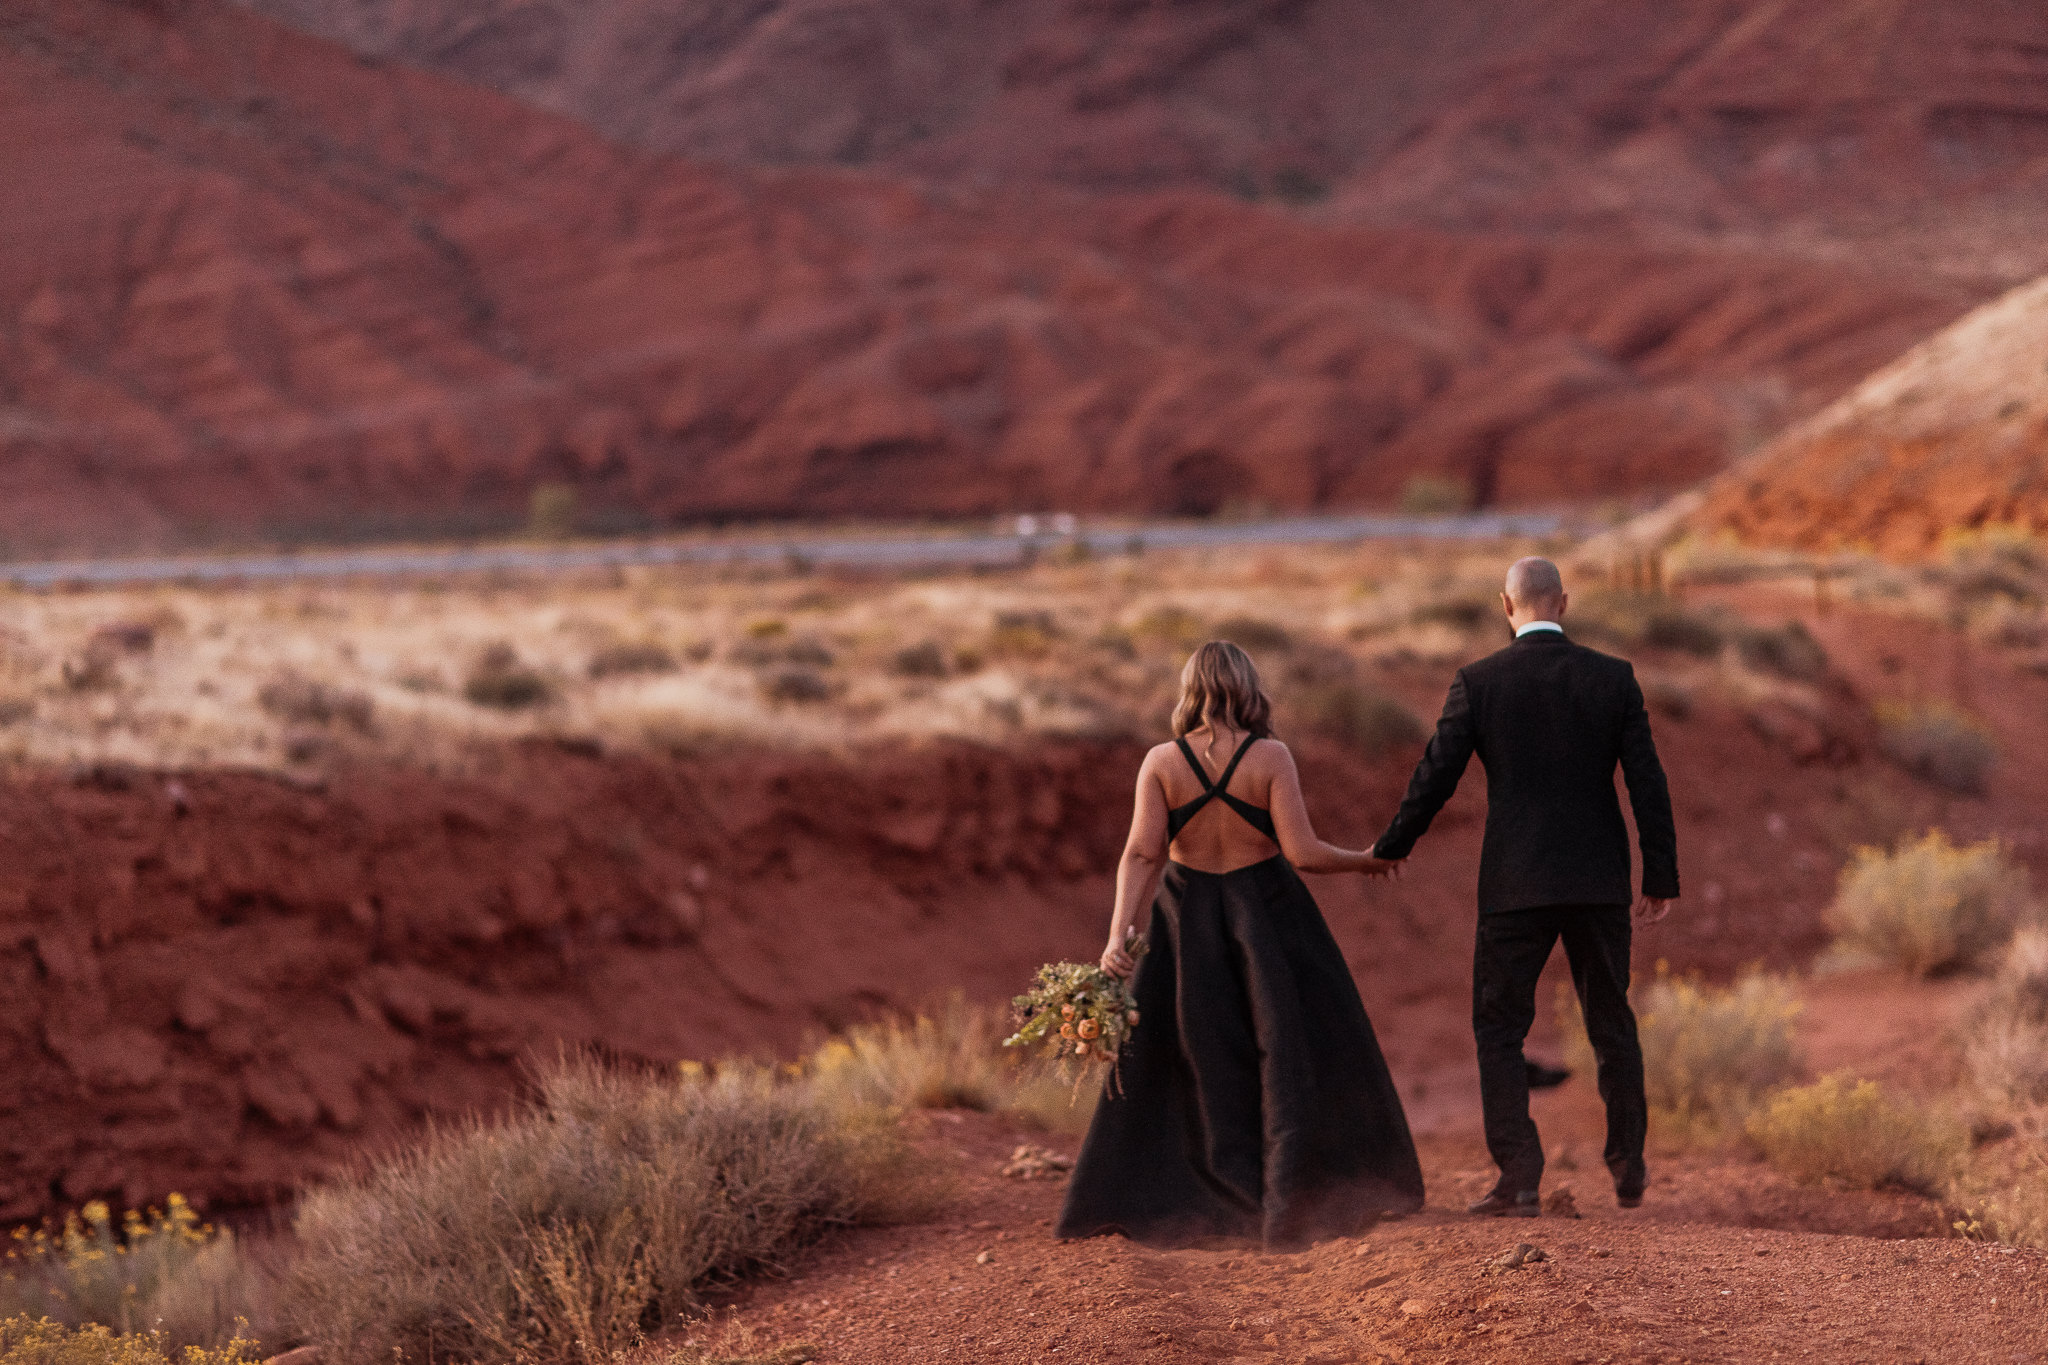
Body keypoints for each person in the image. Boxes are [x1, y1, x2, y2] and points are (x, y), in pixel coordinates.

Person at [1056, 641, 1424, 1249]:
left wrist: (1119, 935)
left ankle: (1215, 1203)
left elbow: (1142, 853)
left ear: (1189, 690)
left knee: (1200, 1058)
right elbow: (1302, 853)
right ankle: (1291, 1198)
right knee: (1289, 1054)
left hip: (1185, 920)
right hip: (1268, 921)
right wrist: (1363, 862)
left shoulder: (1161, 762)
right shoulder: (1270, 756)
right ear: (1248, 687)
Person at [1373, 557, 1679, 1217]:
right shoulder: (1613, 678)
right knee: (1610, 1020)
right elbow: (1647, 782)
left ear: (1504, 606)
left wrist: (1391, 846)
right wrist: (1660, 874)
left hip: (1515, 883)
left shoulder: (1478, 682)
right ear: (1562, 603)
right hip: (1598, 880)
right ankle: (1628, 1164)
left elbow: (1435, 775)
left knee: (1500, 1026)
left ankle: (1519, 1175)